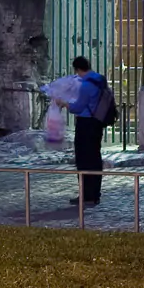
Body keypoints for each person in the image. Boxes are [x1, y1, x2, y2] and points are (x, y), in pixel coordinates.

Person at [60, 57, 116, 208]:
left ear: (78, 70)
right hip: (98, 122)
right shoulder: (99, 78)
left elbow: (77, 107)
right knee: (95, 158)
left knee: (84, 160)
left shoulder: (86, 85)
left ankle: (86, 195)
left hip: (86, 124)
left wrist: (65, 103)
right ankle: (95, 194)